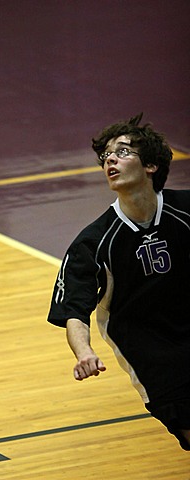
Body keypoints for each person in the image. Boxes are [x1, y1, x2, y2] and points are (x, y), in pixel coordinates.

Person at [47, 113, 190, 450]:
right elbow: (73, 311)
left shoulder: (185, 210)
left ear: (151, 166)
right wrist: (83, 353)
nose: (110, 159)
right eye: (106, 156)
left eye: (123, 152)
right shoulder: (93, 242)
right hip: (151, 354)